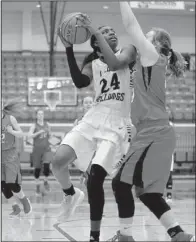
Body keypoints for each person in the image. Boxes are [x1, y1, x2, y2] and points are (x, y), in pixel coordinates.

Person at [108, 2, 195, 241]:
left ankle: (125, 236)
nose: (143, 38)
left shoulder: (152, 56)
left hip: (154, 133)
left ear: (156, 43)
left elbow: (129, 24)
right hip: (156, 133)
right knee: (146, 192)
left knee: (119, 183)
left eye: (148, 36)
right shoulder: (150, 61)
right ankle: (177, 233)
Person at [52, 16, 136, 242]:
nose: (112, 32)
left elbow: (117, 64)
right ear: (96, 43)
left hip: (117, 121)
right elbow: (80, 82)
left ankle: (94, 237)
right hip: (94, 116)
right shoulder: (92, 63)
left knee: (95, 179)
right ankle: (70, 194)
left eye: (112, 30)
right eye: (105, 31)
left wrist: (94, 32)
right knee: (58, 161)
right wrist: (69, 48)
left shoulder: (128, 51)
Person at [1, 99, 32, 216]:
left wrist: (12, 131)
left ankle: (24, 201)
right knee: (2, 185)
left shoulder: (10, 118)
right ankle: (15, 207)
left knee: (11, 183)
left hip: (10, 154)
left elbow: (20, 133)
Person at [27, 110, 52, 195]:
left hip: (47, 149)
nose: (40, 115)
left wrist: (55, 142)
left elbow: (50, 136)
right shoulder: (34, 126)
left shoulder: (48, 125)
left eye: (42, 114)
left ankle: (45, 181)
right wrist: (38, 132)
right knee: (37, 169)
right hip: (37, 150)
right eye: (39, 114)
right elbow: (29, 136)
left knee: (46, 166)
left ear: (43, 115)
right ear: (36, 116)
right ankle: (37, 185)